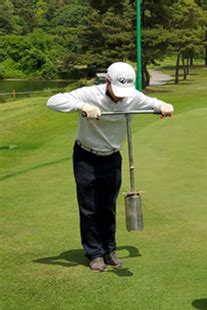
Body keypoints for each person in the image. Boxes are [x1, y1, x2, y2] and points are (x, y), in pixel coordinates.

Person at [47, 62, 174, 272]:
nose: (120, 97)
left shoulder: (132, 96)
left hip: (112, 157)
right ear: (107, 82)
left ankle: (109, 250)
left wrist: (164, 106)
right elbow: (53, 101)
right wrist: (82, 106)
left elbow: (154, 103)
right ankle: (94, 253)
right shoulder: (89, 94)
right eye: (117, 91)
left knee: (108, 206)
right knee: (89, 207)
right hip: (86, 156)